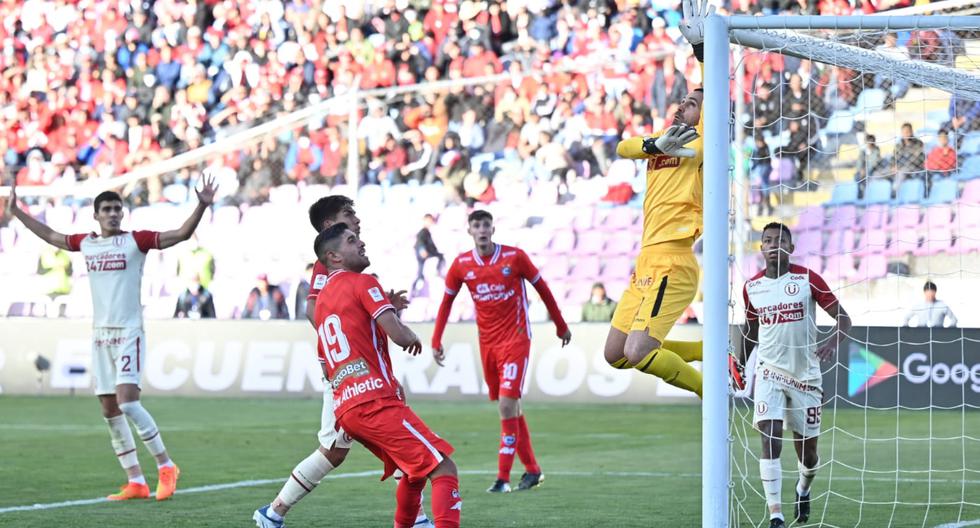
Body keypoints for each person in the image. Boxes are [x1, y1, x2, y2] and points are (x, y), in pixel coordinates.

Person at [6, 174, 218, 501]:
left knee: (128, 402)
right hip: (100, 335)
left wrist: (202, 205)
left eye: (117, 209)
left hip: (129, 331)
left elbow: (181, 234)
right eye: (107, 209)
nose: (113, 214)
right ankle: (135, 480)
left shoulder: (136, 241)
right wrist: (16, 212)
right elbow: (50, 235)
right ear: (96, 215)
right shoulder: (86, 243)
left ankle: (166, 466)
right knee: (109, 408)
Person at [254, 196, 432, 528]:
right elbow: (315, 309)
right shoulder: (328, 265)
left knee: (341, 448)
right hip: (348, 371)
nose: (357, 220)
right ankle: (272, 512)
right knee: (347, 445)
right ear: (329, 227)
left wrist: (380, 308)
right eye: (348, 215)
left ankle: (273, 513)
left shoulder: (349, 267)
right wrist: (346, 353)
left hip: (353, 368)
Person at [312, 223, 462, 527]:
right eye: (352, 241)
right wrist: (409, 333)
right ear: (334, 256)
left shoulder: (323, 303)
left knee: (412, 472)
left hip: (347, 409)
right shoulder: (364, 282)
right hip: (375, 402)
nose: (361, 243)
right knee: (444, 467)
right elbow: (399, 336)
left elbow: (327, 365)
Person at [602, 0, 711, 398]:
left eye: (694, 102)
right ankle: (709, 353)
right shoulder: (663, 143)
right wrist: (655, 143)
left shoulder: (704, 144)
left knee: (638, 350)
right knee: (615, 354)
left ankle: (713, 391)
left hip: (674, 260)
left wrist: (703, 52)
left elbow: (713, 93)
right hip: (646, 258)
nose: (684, 103)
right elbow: (623, 147)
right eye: (684, 99)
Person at [431, 209, 571, 493]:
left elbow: (543, 290)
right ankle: (532, 471)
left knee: (506, 405)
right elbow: (446, 303)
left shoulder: (514, 257)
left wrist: (560, 325)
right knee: (511, 408)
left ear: (493, 229)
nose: (482, 230)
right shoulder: (461, 265)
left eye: (486, 225)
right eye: (476, 225)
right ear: (469, 230)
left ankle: (502, 479)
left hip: (516, 338)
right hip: (488, 343)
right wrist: (436, 340)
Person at [738, 222, 852, 528]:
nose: (774, 244)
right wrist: (739, 364)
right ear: (761, 247)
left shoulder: (806, 279)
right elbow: (750, 332)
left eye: (780, 240)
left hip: (805, 377)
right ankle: (776, 514)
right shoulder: (752, 287)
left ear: (791, 247)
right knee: (770, 439)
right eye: (768, 240)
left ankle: (803, 488)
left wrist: (831, 341)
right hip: (769, 372)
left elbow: (844, 318)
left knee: (809, 455)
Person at [414, 213, 445, 290]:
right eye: (428, 221)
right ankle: (417, 289)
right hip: (423, 253)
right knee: (420, 272)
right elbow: (420, 242)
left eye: (431, 221)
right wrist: (422, 250)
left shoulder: (428, 232)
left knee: (440, 256)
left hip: (428, 253)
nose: (429, 223)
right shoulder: (423, 231)